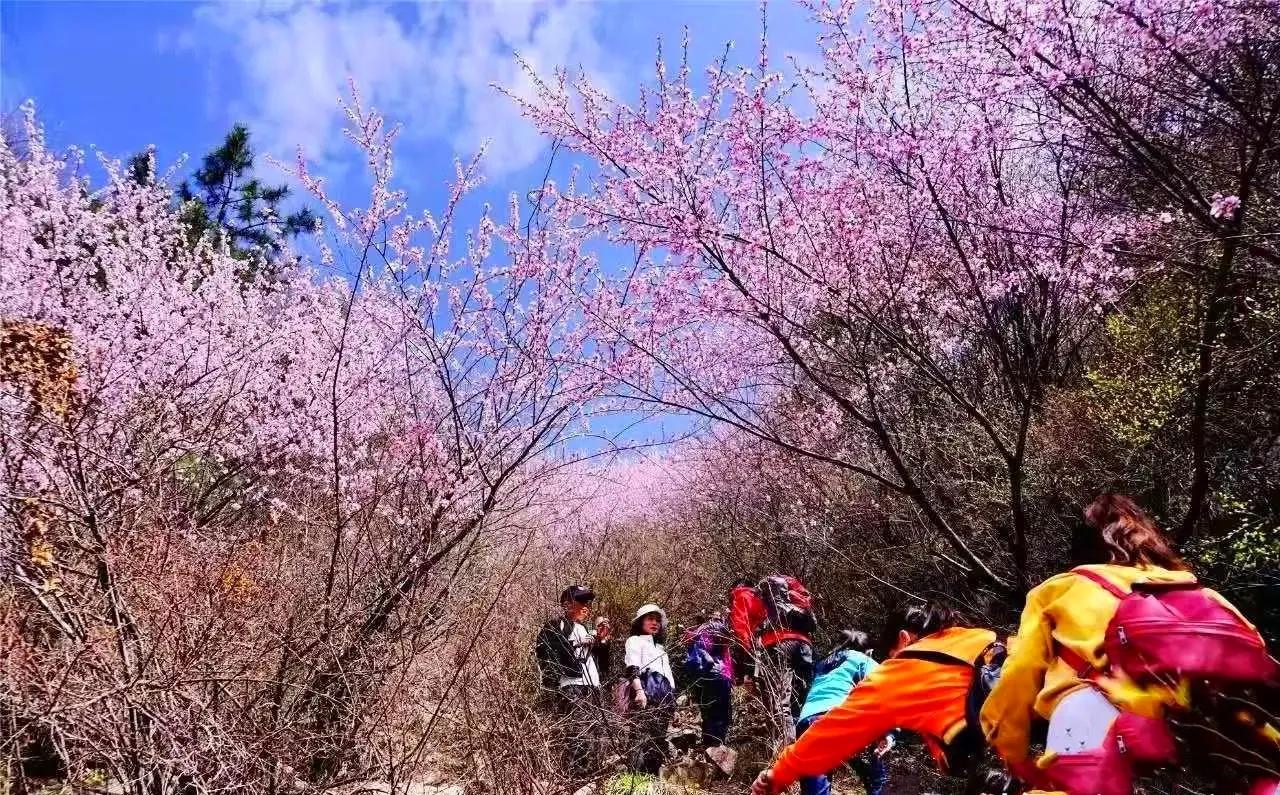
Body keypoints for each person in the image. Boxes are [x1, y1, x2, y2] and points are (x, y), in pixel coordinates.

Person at [980, 494, 1279, 795]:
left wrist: (1012, 752)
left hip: (1092, 716)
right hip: (1205, 731)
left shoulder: (1060, 589)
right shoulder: (1201, 594)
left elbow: (1020, 673)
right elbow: (1256, 657)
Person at [751, 603, 999, 795]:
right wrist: (889, 736)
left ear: (904, 639)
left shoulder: (899, 670)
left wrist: (778, 774)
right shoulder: (982, 638)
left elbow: (841, 726)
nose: (890, 664)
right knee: (874, 768)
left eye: (891, 656)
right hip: (1029, 738)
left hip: (808, 721)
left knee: (818, 774)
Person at [794, 630, 892, 795]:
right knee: (879, 746)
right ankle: (877, 786)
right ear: (869, 651)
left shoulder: (824, 663)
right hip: (835, 718)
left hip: (806, 721)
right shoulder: (863, 659)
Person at [534, 585, 611, 781]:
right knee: (578, 733)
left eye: (588, 602)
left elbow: (601, 663)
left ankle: (595, 776)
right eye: (582, 601)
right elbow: (545, 652)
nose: (587, 607)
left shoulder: (585, 628)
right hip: (572, 685)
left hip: (593, 685)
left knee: (598, 732)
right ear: (567, 604)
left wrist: (601, 643)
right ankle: (577, 779)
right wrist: (577, 643)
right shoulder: (556, 625)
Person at [730, 576, 816, 743]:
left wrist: (748, 664)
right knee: (802, 701)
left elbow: (742, 630)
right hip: (805, 646)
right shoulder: (787, 592)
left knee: (778, 704)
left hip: (777, 645)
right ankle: (811, 748)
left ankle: (785, 755)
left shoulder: (743, 595)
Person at [623, 603, 677, 775]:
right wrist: (639, 691)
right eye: (650, 619)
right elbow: (632, 668)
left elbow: (669, 677)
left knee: (658, 741)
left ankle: (651, 782)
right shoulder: (634, 640)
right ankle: (635, 782)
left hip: (664, 698)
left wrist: (672, 704)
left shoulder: (661, 649)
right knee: (640, 739)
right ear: (640, 622)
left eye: (657, 620)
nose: (655, 623)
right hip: (646, 695)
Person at [685, 610, 735, 746]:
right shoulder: (724, 634)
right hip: (724, 676)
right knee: (723, 712)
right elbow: (728, 659)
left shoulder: (703, 631)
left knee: (708, 712)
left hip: (709, 676)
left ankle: (709, 746)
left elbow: (703, 658)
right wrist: (731, 679)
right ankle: (719, 745)